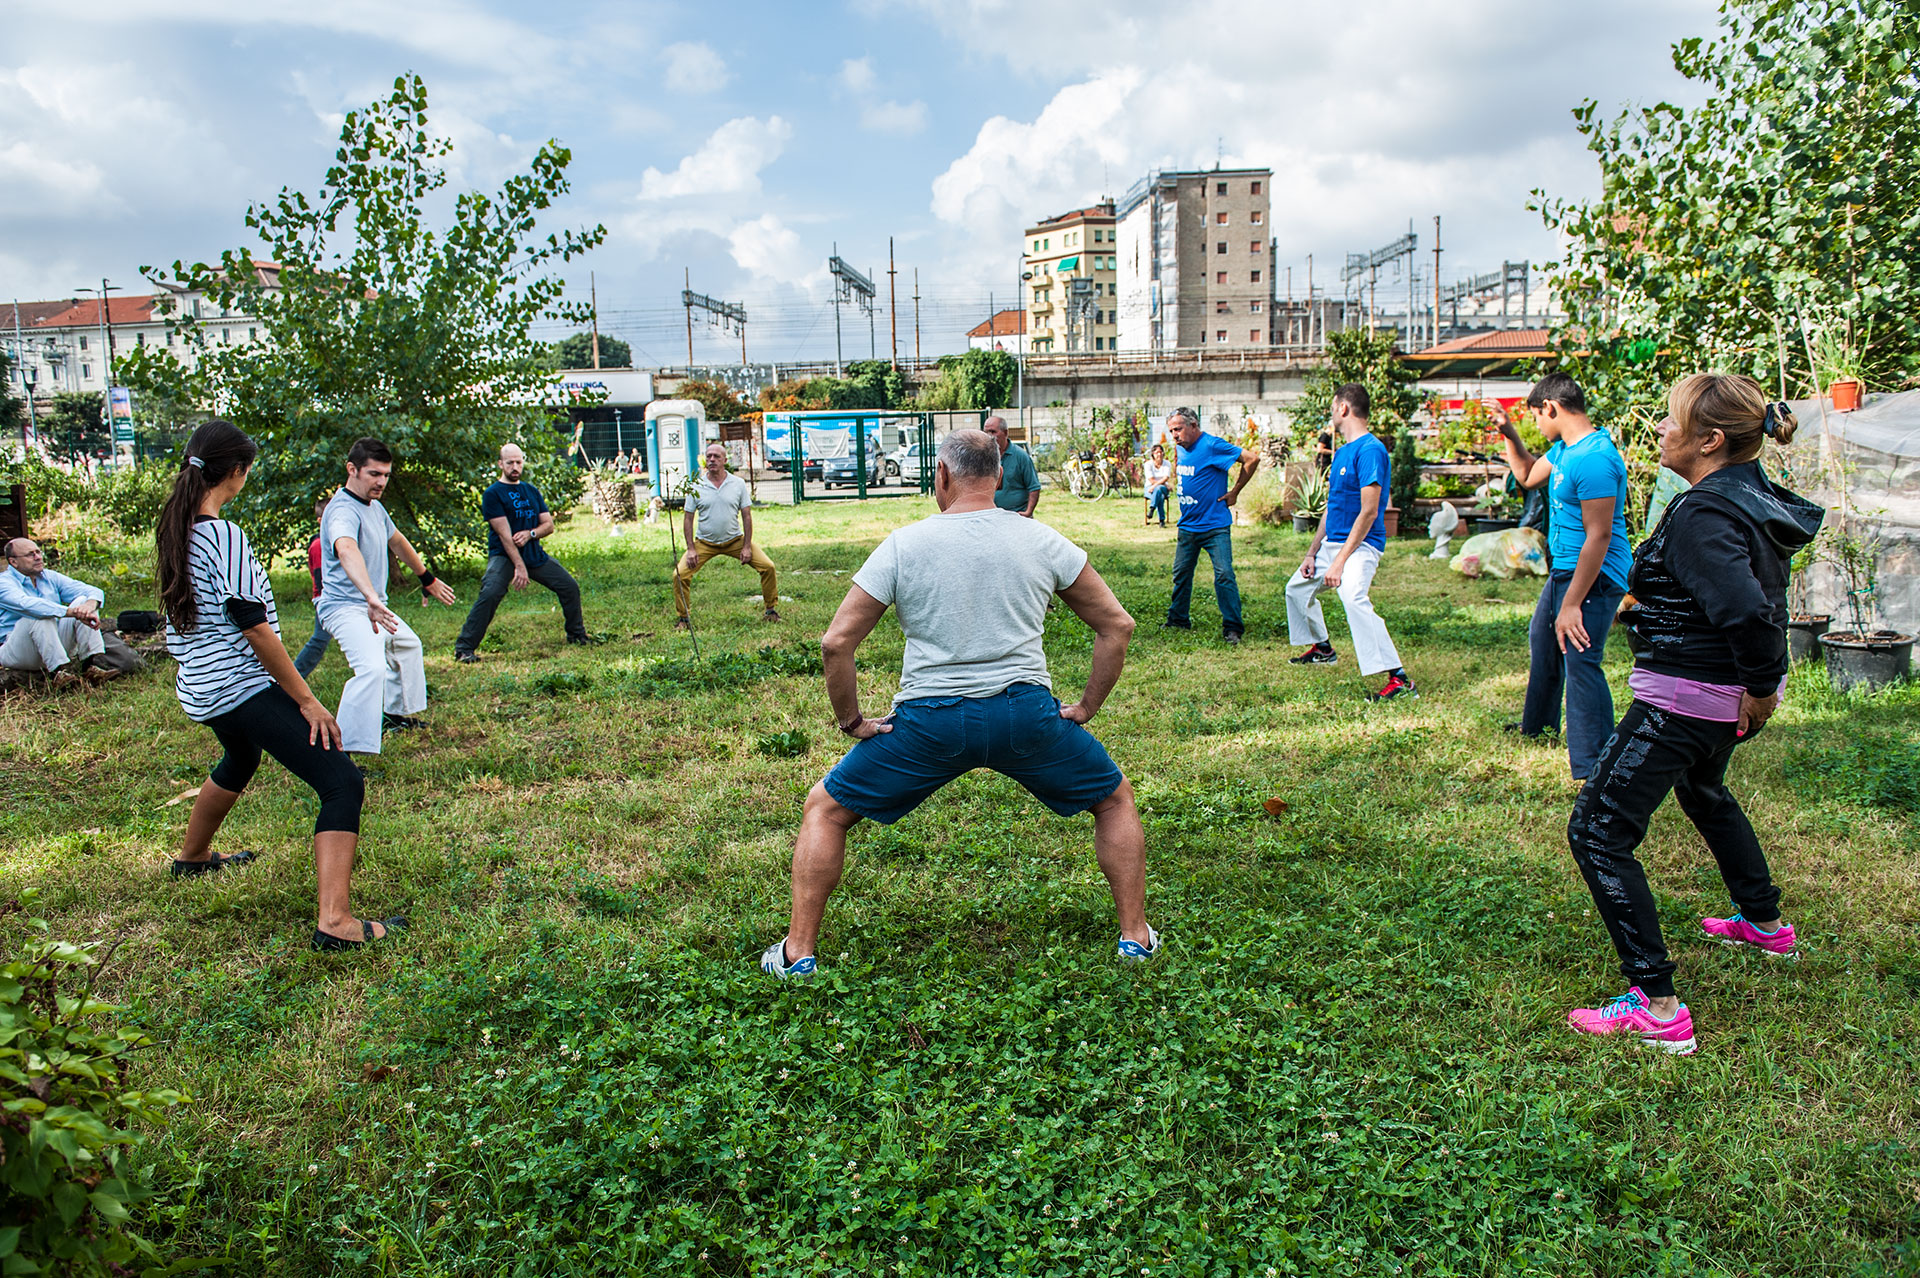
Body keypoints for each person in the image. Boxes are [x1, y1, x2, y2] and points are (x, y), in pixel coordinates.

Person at [759, 429, 1155, 979]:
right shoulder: (1041, 539)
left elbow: (835, 643)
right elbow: (1117, 625)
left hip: (929, 725)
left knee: (825, 809)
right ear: (998, 476)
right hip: (1026, 717)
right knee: (1113, 801)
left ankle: (798, 954)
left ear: (941, 476)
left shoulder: (904, 543)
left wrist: (851, 720)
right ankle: (1135, 938)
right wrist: (1085, 707)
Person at [1565, 375, 1821, 1055]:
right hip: (1713, 699)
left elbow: (1745, 608)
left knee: (1597, 830)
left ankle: (1655, 1004)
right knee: (1704, 790)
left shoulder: (1705, 511)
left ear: (1710, 440)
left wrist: (1764, 686)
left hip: (1684, 699)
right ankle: (1764, 923)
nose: (1659, 430)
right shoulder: (1746, 492)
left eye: (1671, 421)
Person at [156, 420, 404, 949]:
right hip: (237, 686)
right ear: (239, 472)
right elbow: (253, 625)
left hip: (199, 687)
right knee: (342, 783)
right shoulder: (223, 534)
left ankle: (193, 857)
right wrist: (307, 699)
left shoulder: (176, 526)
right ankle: (335, 923)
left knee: (240, 759)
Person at [1491, 374, 1632, 779]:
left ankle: (1596, 764)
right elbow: (1527, 475)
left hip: (1596, 573)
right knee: (1544, 640)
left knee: (1581, 658)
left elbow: (1599, 536)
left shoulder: (1594, 458)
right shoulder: (1566, 449)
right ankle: (1538, 728)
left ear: (1550, 408)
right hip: (1565, 570)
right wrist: (1509, 433)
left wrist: (1571, 604)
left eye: (1535, 416)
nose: (1537, 423)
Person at [317, 437, 458, 757]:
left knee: (407, 645)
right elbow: (346, 549)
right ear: (352, 470)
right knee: (372, 670)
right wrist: (370, 596)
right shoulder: (341, 510)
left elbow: (398, 542)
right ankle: (343, 752)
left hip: (373, 605)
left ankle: (394, 715)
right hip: (346, 607)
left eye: (386, 475)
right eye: (374, 474)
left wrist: (427, 578)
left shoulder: (375, 508)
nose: (381, 482)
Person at [1286, 384, 1417, 699]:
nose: (1331, 413)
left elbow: (1370, 512)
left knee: (1353, 598)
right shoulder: (1342, 451)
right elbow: (1332, 509)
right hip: (1333, 544)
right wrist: (1311, 553)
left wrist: (1340, 561)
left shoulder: (1370, 450)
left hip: (1361, 546)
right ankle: (1323, 649)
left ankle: (1399, 680)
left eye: (1333, 406)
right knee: (1295, 590)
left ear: (1343, 408)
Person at [454, 443, 592, 662]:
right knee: (490, 593)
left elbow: (548, 525)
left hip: (534, 554)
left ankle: (577, 635)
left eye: (518, 462)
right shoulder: (493, 494)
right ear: (500, 464)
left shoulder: (530, 491)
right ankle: (464, 648)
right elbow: (504, 535)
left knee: (569, 586)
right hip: (504, 555)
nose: (515, 466)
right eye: (510, 463)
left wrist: (531, 534)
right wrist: (518, 566)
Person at [1163, 407, 1260, 644]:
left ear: (1194, 425)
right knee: (1181, 573)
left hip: (1215, 526)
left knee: (1224, 574)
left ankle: (1233, 627)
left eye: (1178, 429)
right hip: (1187, 526)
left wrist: (1235, 491)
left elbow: (1252, 458)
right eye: (1171, 431)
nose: (1174, 435)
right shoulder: (1180, 448)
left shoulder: (1212, 445)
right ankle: (1178, 619)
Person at [674, 442, 779, 628]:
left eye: (716, 456)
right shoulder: (696, 485)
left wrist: (746, 546)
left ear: (724, 460)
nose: (712, 460)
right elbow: (688, 519)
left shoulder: (737, 484)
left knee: (768, 566)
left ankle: (771, 610)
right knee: (679, 575)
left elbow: (746, 515)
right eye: (709, 456)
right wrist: (691, 548)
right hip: (704, 543)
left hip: (735, 541)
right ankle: (684, 618)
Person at [0, 538, 116, 686]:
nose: (38, 557)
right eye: (30, 554)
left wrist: (88, 606)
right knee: (39, 615)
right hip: (17, 650)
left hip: (51, 642)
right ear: (13, 562)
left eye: (38, 552)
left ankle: (91, 666)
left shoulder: (48, 576)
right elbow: (27, 605)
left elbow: (92, 590)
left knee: (82, 601)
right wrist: (70, 612)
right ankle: (59, 674)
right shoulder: (3, 582)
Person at [293, 496, 333, 678]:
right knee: (319, 639)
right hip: (325, 598)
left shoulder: (336, 541)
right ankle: (294, 677)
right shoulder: (318, 545)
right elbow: (320, 579)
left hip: (335, 597)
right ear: (320, 521)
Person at [984, 415, 1041, 517]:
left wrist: (1028, 512)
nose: (989, 436)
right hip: (991, 516)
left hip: (1016, 515)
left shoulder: (1020, 456)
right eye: (986, 432)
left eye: (993, 432)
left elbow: (1034, 487)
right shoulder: (983, 456)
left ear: (1005, 433)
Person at [1144, 443, 1173, 527]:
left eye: (1161, 452)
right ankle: (1161, 520)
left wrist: (1155, 486)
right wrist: (1155, 485)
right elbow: (1151, 479)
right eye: (1157, 452)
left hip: (1161, 488)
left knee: (1159, 489)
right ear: (1153, 454)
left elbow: (1166, 477)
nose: (1159, 454)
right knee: (1160, 495)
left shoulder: (1167, 463)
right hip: (1149, 488)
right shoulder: (1148, 464)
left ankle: (1152, 508)